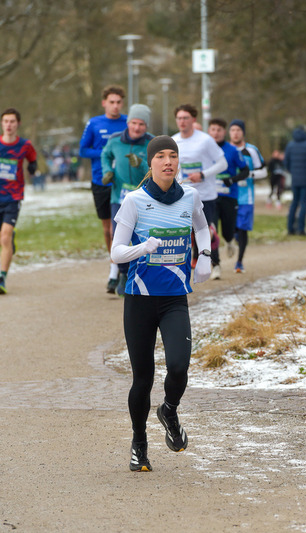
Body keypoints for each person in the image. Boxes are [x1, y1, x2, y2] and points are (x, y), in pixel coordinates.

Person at [110, 136, 212, 471]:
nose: (168, 162)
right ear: (150, 162)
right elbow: (116, 252)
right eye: (161, 156)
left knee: (179, 365)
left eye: (173, 156)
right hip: (139, 300)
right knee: (143, 378)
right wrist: (143, 248)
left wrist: (205, 255)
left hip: (174, 299)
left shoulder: (190, 196)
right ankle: (139, 443)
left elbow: (202, 227)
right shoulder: (135, 201)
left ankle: (169, 410)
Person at [101, 104, 154, 295]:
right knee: (118, 235)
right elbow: (105, 155)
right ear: (128, 122)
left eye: (141, 124)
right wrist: (108, 171)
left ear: (146, 126)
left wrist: (141, 164)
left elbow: (155, 170)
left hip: (144, 198)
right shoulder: (115, 140)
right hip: (120, 197)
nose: (137, 128)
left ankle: (142, 274)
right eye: (134, 123)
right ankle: (123, 273)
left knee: (141, 236)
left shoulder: (152, 143)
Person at [79, 85, 127, 290]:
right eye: (111, 102)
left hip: (124, 183)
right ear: (104, 103)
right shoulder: (94, 123)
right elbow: (83, 150)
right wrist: (105, 153)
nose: (115, 106)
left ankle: (120, 270)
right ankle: (114, 265)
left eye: (118, 102)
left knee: (122, 228)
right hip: (101, 181)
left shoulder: (128, 123)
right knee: (108, 229)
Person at [172, 104, 227, 279]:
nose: (182, 121)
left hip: (206, 196)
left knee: (206, 232)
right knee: (184, 232)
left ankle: (215, 264)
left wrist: (203, 174)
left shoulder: (205, 140)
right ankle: (185, 265)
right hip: (184, 195)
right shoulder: (173, 141)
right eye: (179, 118)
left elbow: (223, 164)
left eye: (185, 118)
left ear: (193, 119)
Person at [0, 108, 37, 294]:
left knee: (5, 237)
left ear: (18, 124)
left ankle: (2, 278)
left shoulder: (25, 145)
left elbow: (33, 158)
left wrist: (32, 167)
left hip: (13, 197)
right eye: (6, 121)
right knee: (3, 238)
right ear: (2, 123)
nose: (9, 125)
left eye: (12, 121)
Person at [207, 118, 249, 270]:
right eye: (213, 129)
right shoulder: (204, 150)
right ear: (209, 131)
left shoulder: (232, 151)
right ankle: (215, 265)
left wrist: (232, 180)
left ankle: (230, 240)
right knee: (212, 230)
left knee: (228, 231)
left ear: (224, 132)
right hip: (210, 197)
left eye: (219, 130)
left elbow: (245, 171)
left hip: (229, 196)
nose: (216, 133)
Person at [228, 119, 267, 273]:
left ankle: (239, 262)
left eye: (238, 130)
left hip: (246, 197)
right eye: (233, 130)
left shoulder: (251, 150)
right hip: (229, 195)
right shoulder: (225, 149)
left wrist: (247, 174)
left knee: (242, 229)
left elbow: (263, 171)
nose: (235, 133)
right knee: (231, 229)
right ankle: (235, 236)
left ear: (243, 132)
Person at [284, 126, 306, 236]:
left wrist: (293, 172)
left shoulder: (290, 145)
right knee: (304, 203)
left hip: (295, 179)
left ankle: (290, 228)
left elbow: (286, 162)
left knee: (294, 202)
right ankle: (301, 229)